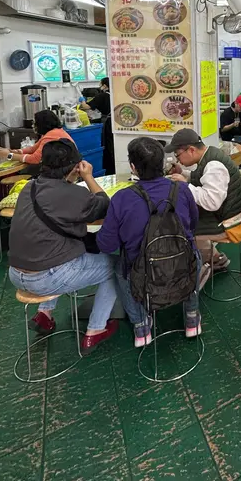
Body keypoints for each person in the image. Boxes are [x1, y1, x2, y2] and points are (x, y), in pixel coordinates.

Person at [7, 140, 117, 353]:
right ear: (75, 166)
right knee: (116, 267)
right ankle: (96, 329)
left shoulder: (29, 187)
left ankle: (45, 314)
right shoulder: (73, 194)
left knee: (54, 251)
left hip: (16, 273)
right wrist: (88, 177)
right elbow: (105, 205)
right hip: (46, 278)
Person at [96, 136, 202, 343]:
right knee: (193, 254)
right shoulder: (181, 189)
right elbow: (193, 224)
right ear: (162, 163)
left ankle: (141, 327)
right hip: (181, 262)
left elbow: (107, 245)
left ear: (133, 167)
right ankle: (192, 317)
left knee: (121, 268)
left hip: (142, 272)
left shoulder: (122, 198)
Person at [164, 129, 241, 288]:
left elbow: (212, 202)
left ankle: (196, 281)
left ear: (191, 150)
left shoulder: (214, 166)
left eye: (178, 155)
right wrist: (184, 173)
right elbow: (203, 179)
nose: (178, 159)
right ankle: (217, 260)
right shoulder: (209, 155)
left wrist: (185, 185)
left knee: (182, 229)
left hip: (230, 222)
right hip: (225, 213)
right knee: (186, 221)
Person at [0, 109, 73, 165]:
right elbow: (32, 149)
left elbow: (35, 159)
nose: (33, 126)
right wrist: (13, 151)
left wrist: (9, 156)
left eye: (35, 123)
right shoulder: (53, 132)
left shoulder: (51, 137)